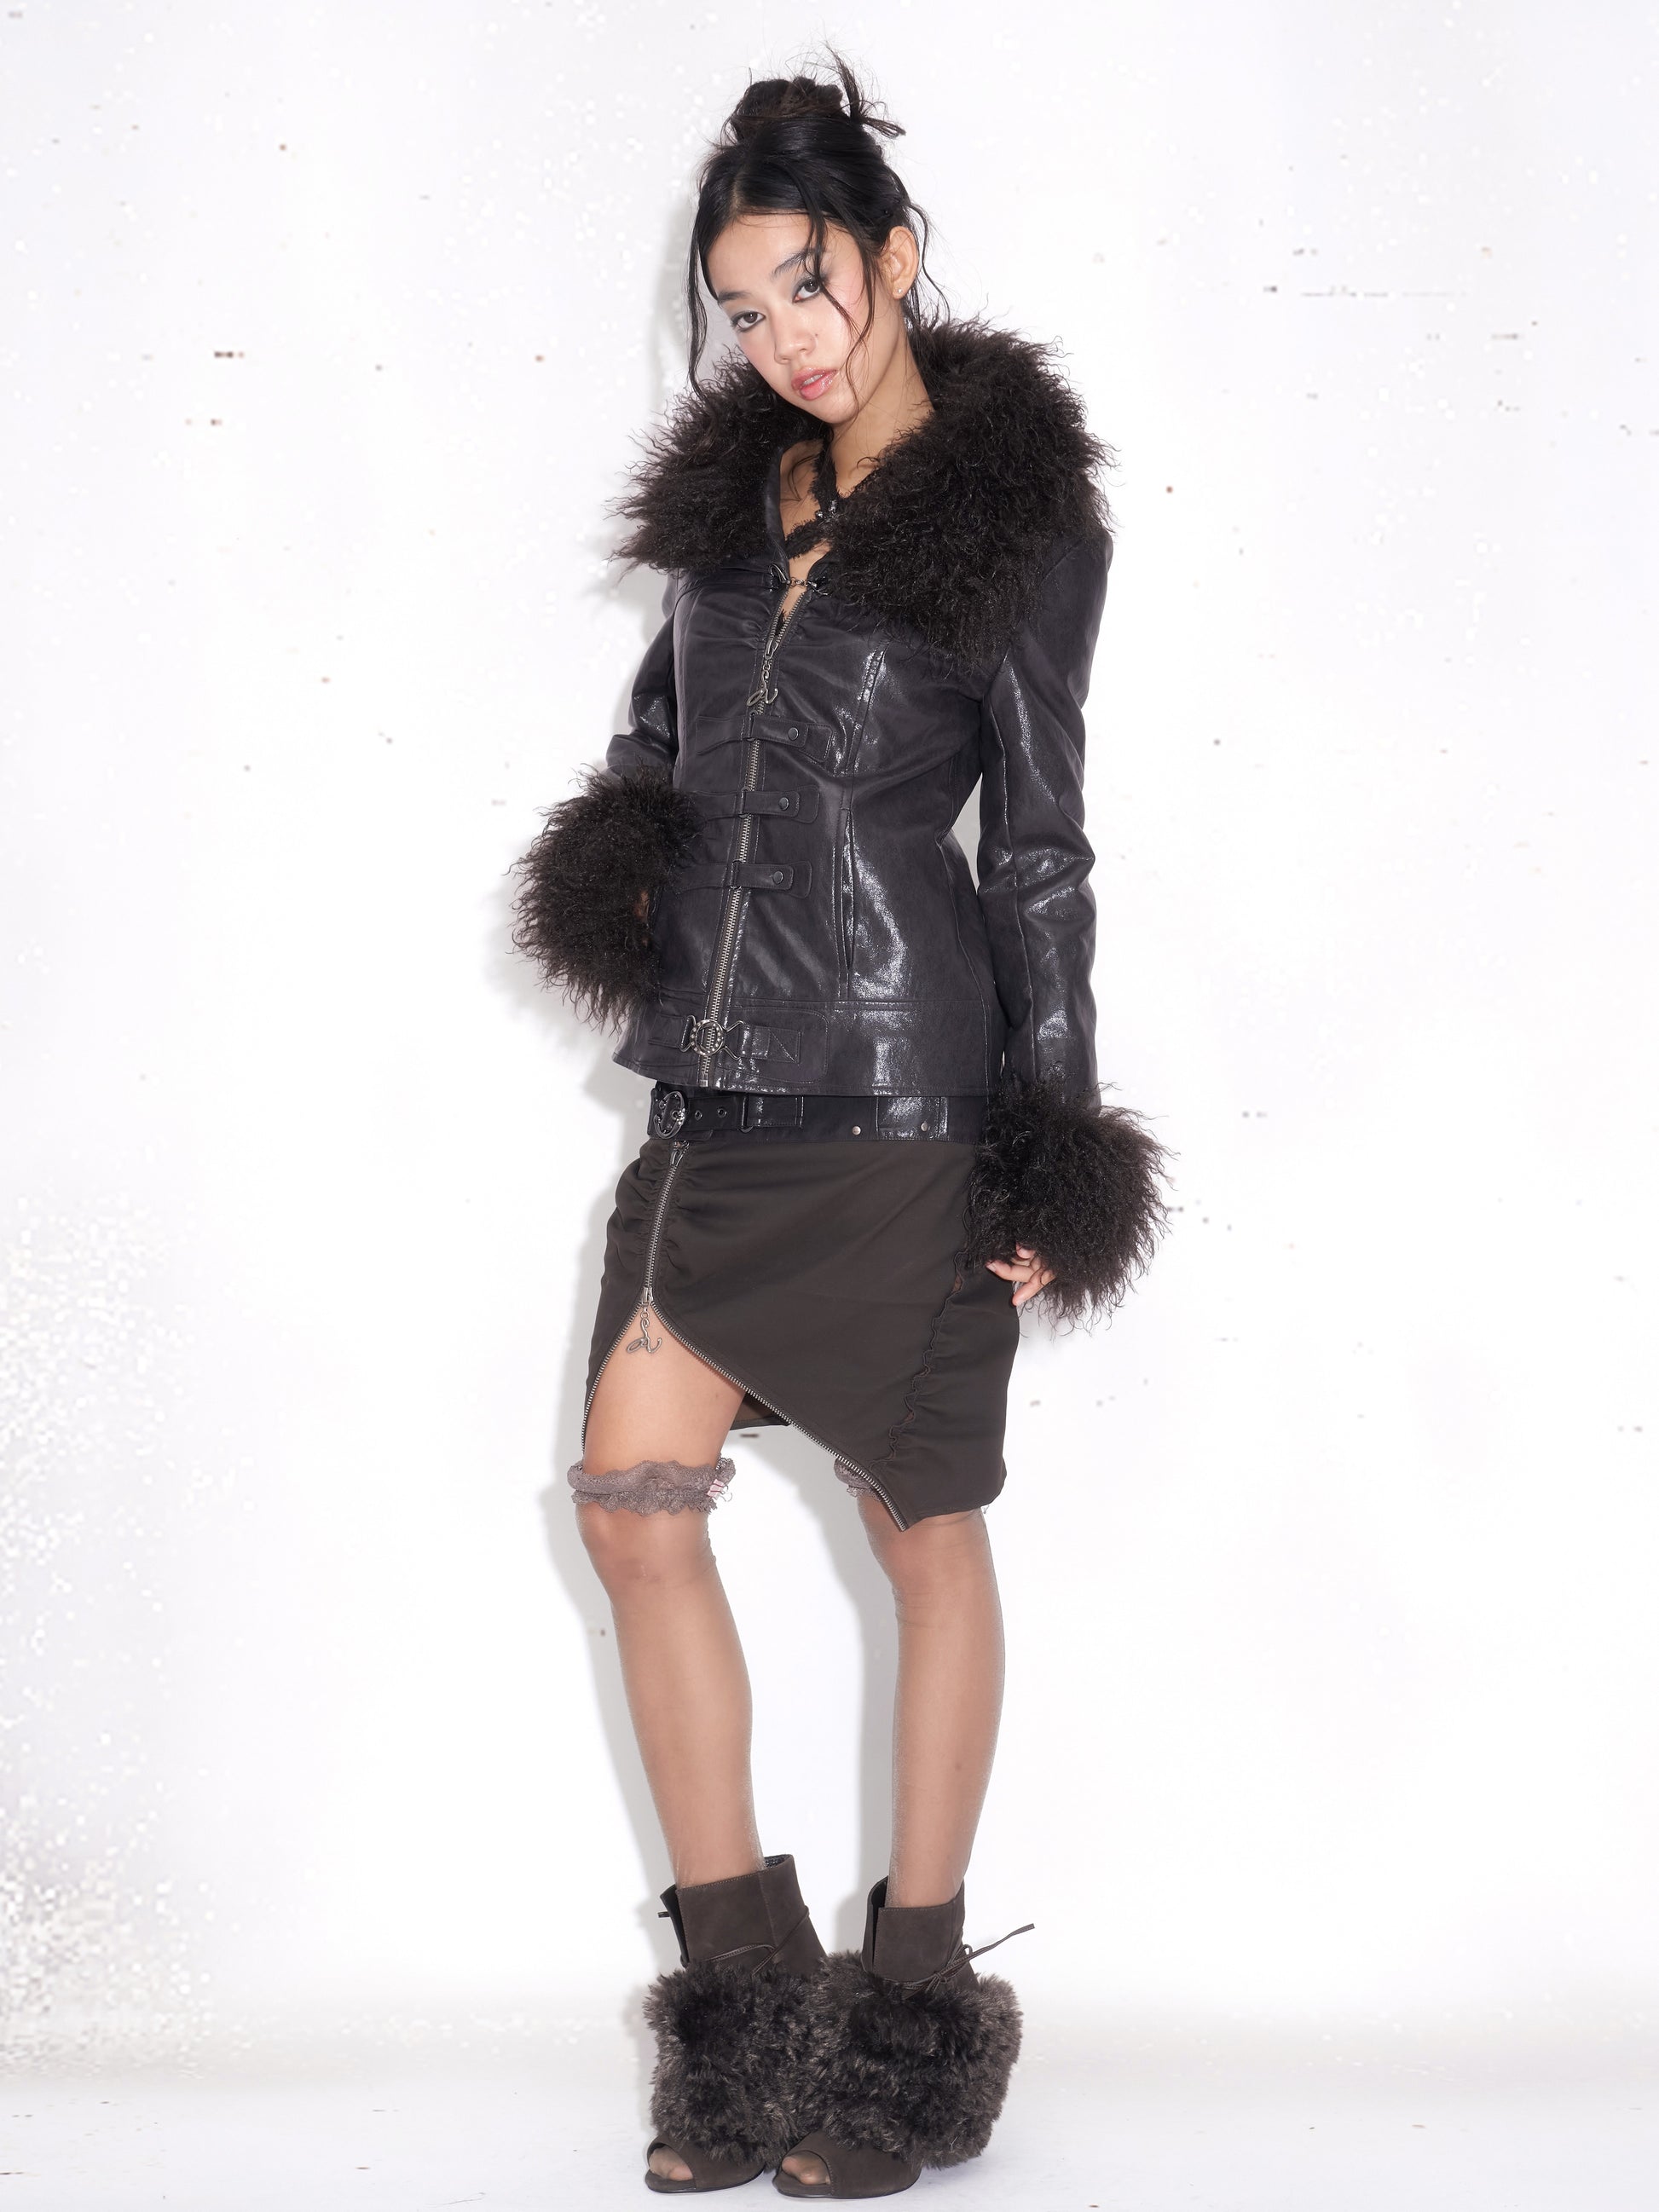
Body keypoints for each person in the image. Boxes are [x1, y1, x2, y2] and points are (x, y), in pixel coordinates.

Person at [511, 55, 1169, 2200]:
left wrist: (1049, 1133)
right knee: (633, 1506)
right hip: (712, 1092)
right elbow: (661, 741)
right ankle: (743, 2000)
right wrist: (636, 881)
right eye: (743, 307)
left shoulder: (1018, 521)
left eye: (811, 283)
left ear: (893, 256)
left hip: (901, 1090)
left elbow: (1041, 847)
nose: (786, 337)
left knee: (917, 1528)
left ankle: (909, 2005)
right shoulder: (732, 512)